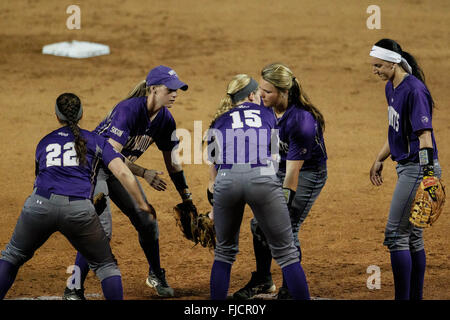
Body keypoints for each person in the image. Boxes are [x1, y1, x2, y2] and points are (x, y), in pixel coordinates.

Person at [0, 93, 154, 300]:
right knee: (106, 266)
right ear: (82, 114)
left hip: (39, 205)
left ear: (56, 116)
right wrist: (142, 204)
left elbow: (39, 178)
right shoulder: (96, 140)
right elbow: (123, 172)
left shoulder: (44, 142)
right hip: (79, 210)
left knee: (11, 257)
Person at [63, 65, 198, 299]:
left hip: (118, 170)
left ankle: (156, 273)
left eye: (178, 89)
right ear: (153, 89)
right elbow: (111, 156)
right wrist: (144, 172)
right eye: (170, 89)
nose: (175, 94)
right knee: (100, 231)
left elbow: (173, 164)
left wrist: (187, 197)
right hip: (92, 170)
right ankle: (73, 287)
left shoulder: (166, 120)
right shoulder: (128, 110)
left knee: (147, 221)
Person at [207, 74, 310, 300]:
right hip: (262, 176)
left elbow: (212, 172)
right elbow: (273, 157)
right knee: (287, 253)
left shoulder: (218, 119)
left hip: (226, 178)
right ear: (252, 95)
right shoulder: (268, 113)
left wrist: (214, 207)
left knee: (223, 253)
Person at [233, 63, 328, 300]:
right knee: (259, 225)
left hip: (307, 172)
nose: (259, 95)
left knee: (286, 227)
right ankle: (264, 280)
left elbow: (293, 174)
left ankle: (289, 290)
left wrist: (281, 206)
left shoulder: (302, 121)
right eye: (260, 89)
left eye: (267, 91)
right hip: (278, 167)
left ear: (284, 92)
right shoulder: (264, 110)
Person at [368, 39, 441, 300]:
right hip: (406, 166)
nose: (374, 70)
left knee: (396, 234)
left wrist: (429, 176)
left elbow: (424, 136)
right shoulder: (392, 87)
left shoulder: (414, 90)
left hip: (417, 168)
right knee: (412, 237)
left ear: (393, 62)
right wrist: (379, 158)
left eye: (378, 65)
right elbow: (396, 130)